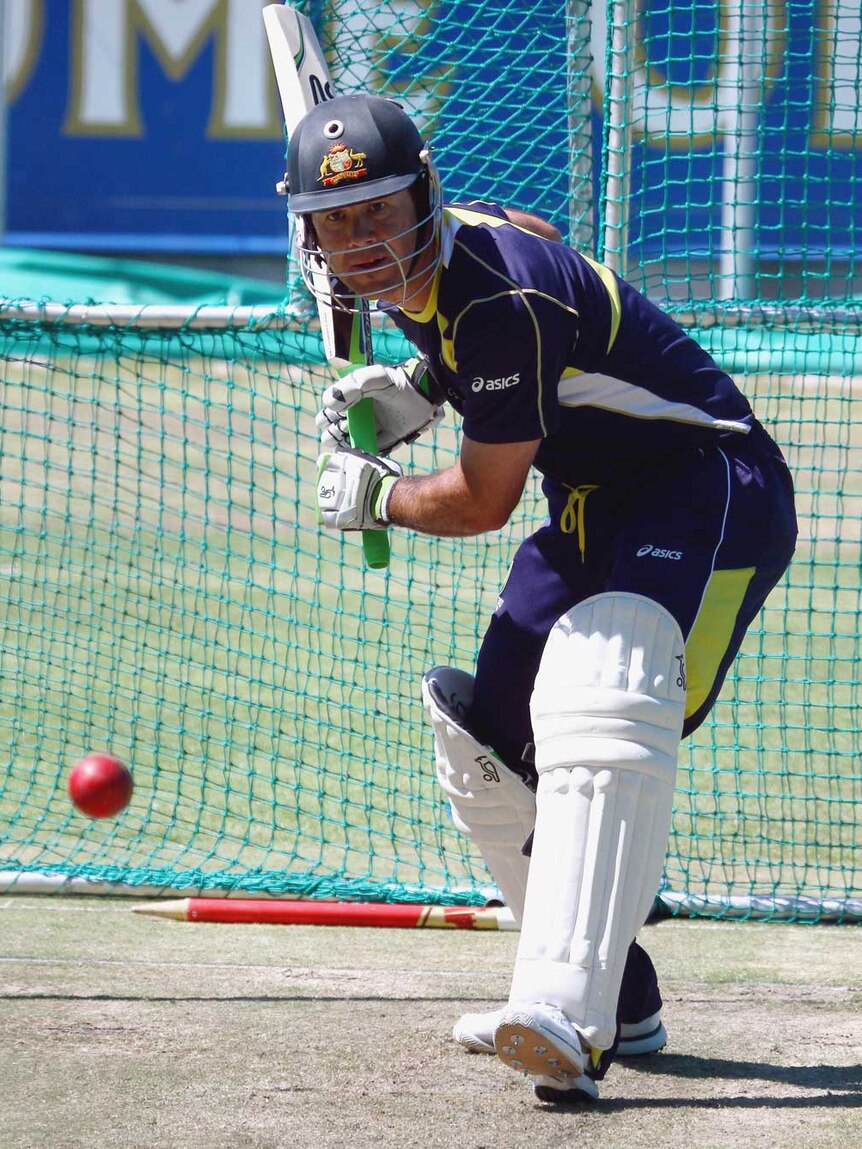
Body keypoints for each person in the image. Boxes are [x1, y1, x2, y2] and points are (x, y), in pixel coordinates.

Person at [284, 93, 797, 1103]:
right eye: (336, 222)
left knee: (601, 689)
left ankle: (566, 1014)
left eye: (381, 211)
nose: (363, 245)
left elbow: (481, 499)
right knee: (484, 738)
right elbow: (537, 234)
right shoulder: (444, 258)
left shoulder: (492, 305)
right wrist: (430, 389)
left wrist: (380, 495)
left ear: (421, 197)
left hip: (707, 488)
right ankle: (629, 1002)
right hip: (593, 501)